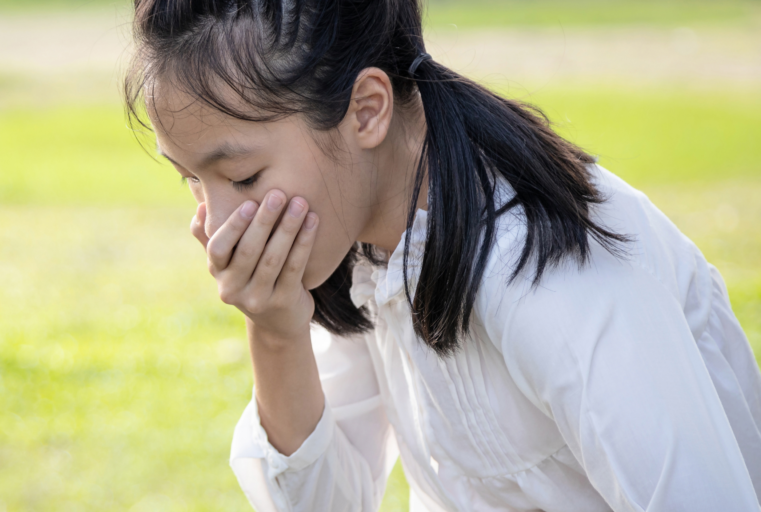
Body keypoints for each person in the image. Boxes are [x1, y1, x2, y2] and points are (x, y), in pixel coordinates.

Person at [123, 0, 761, 510]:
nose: (217, 225)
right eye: (189, 179)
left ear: (366, 111)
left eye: (241, 176)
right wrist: (277, 333)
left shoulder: (546, 269)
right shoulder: (363, 243)